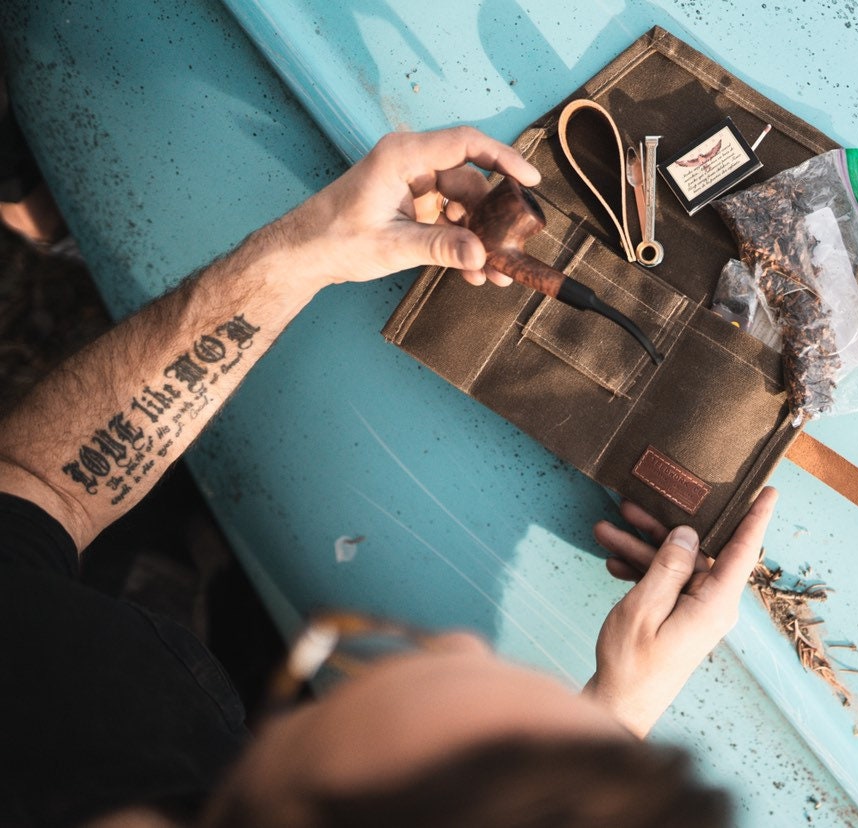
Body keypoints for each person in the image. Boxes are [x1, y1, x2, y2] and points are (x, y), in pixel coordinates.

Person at [0, 127, 779, 827]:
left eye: (482, 736)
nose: (465, 646)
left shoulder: (52, 697)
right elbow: (49, 490)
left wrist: (303, 247)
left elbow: (36, 485)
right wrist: (616, 709)